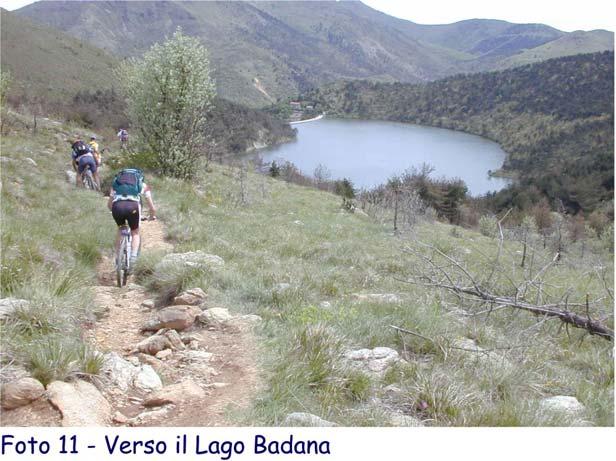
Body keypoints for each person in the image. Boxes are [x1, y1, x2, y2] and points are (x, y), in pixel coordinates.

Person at [107, 168, 157, 270]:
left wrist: (116, 211)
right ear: (139, 177)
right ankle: (133, 259)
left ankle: (117, 259)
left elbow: (109, 205)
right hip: (133, 207)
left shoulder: (116, 184)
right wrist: (152, 216)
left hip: (117, 207)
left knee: (121, 229)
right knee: (135, 232)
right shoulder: (142, 185)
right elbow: (152, 207)